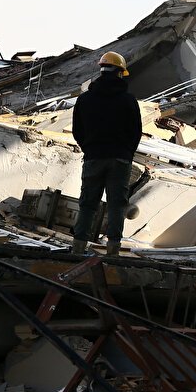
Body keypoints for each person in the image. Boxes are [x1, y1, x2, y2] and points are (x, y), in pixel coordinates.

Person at [71, 51, 142, 256]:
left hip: (94, 157)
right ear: (120, 73)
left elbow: (77, 131)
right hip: (120, 159)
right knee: (117, 205)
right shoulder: (128, 100)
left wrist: (89, 149)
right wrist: (126, 153)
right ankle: (113, 251)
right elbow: (135, 132)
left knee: (87, 205)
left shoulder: (85, 99)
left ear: (101, 71)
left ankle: (78, 248)